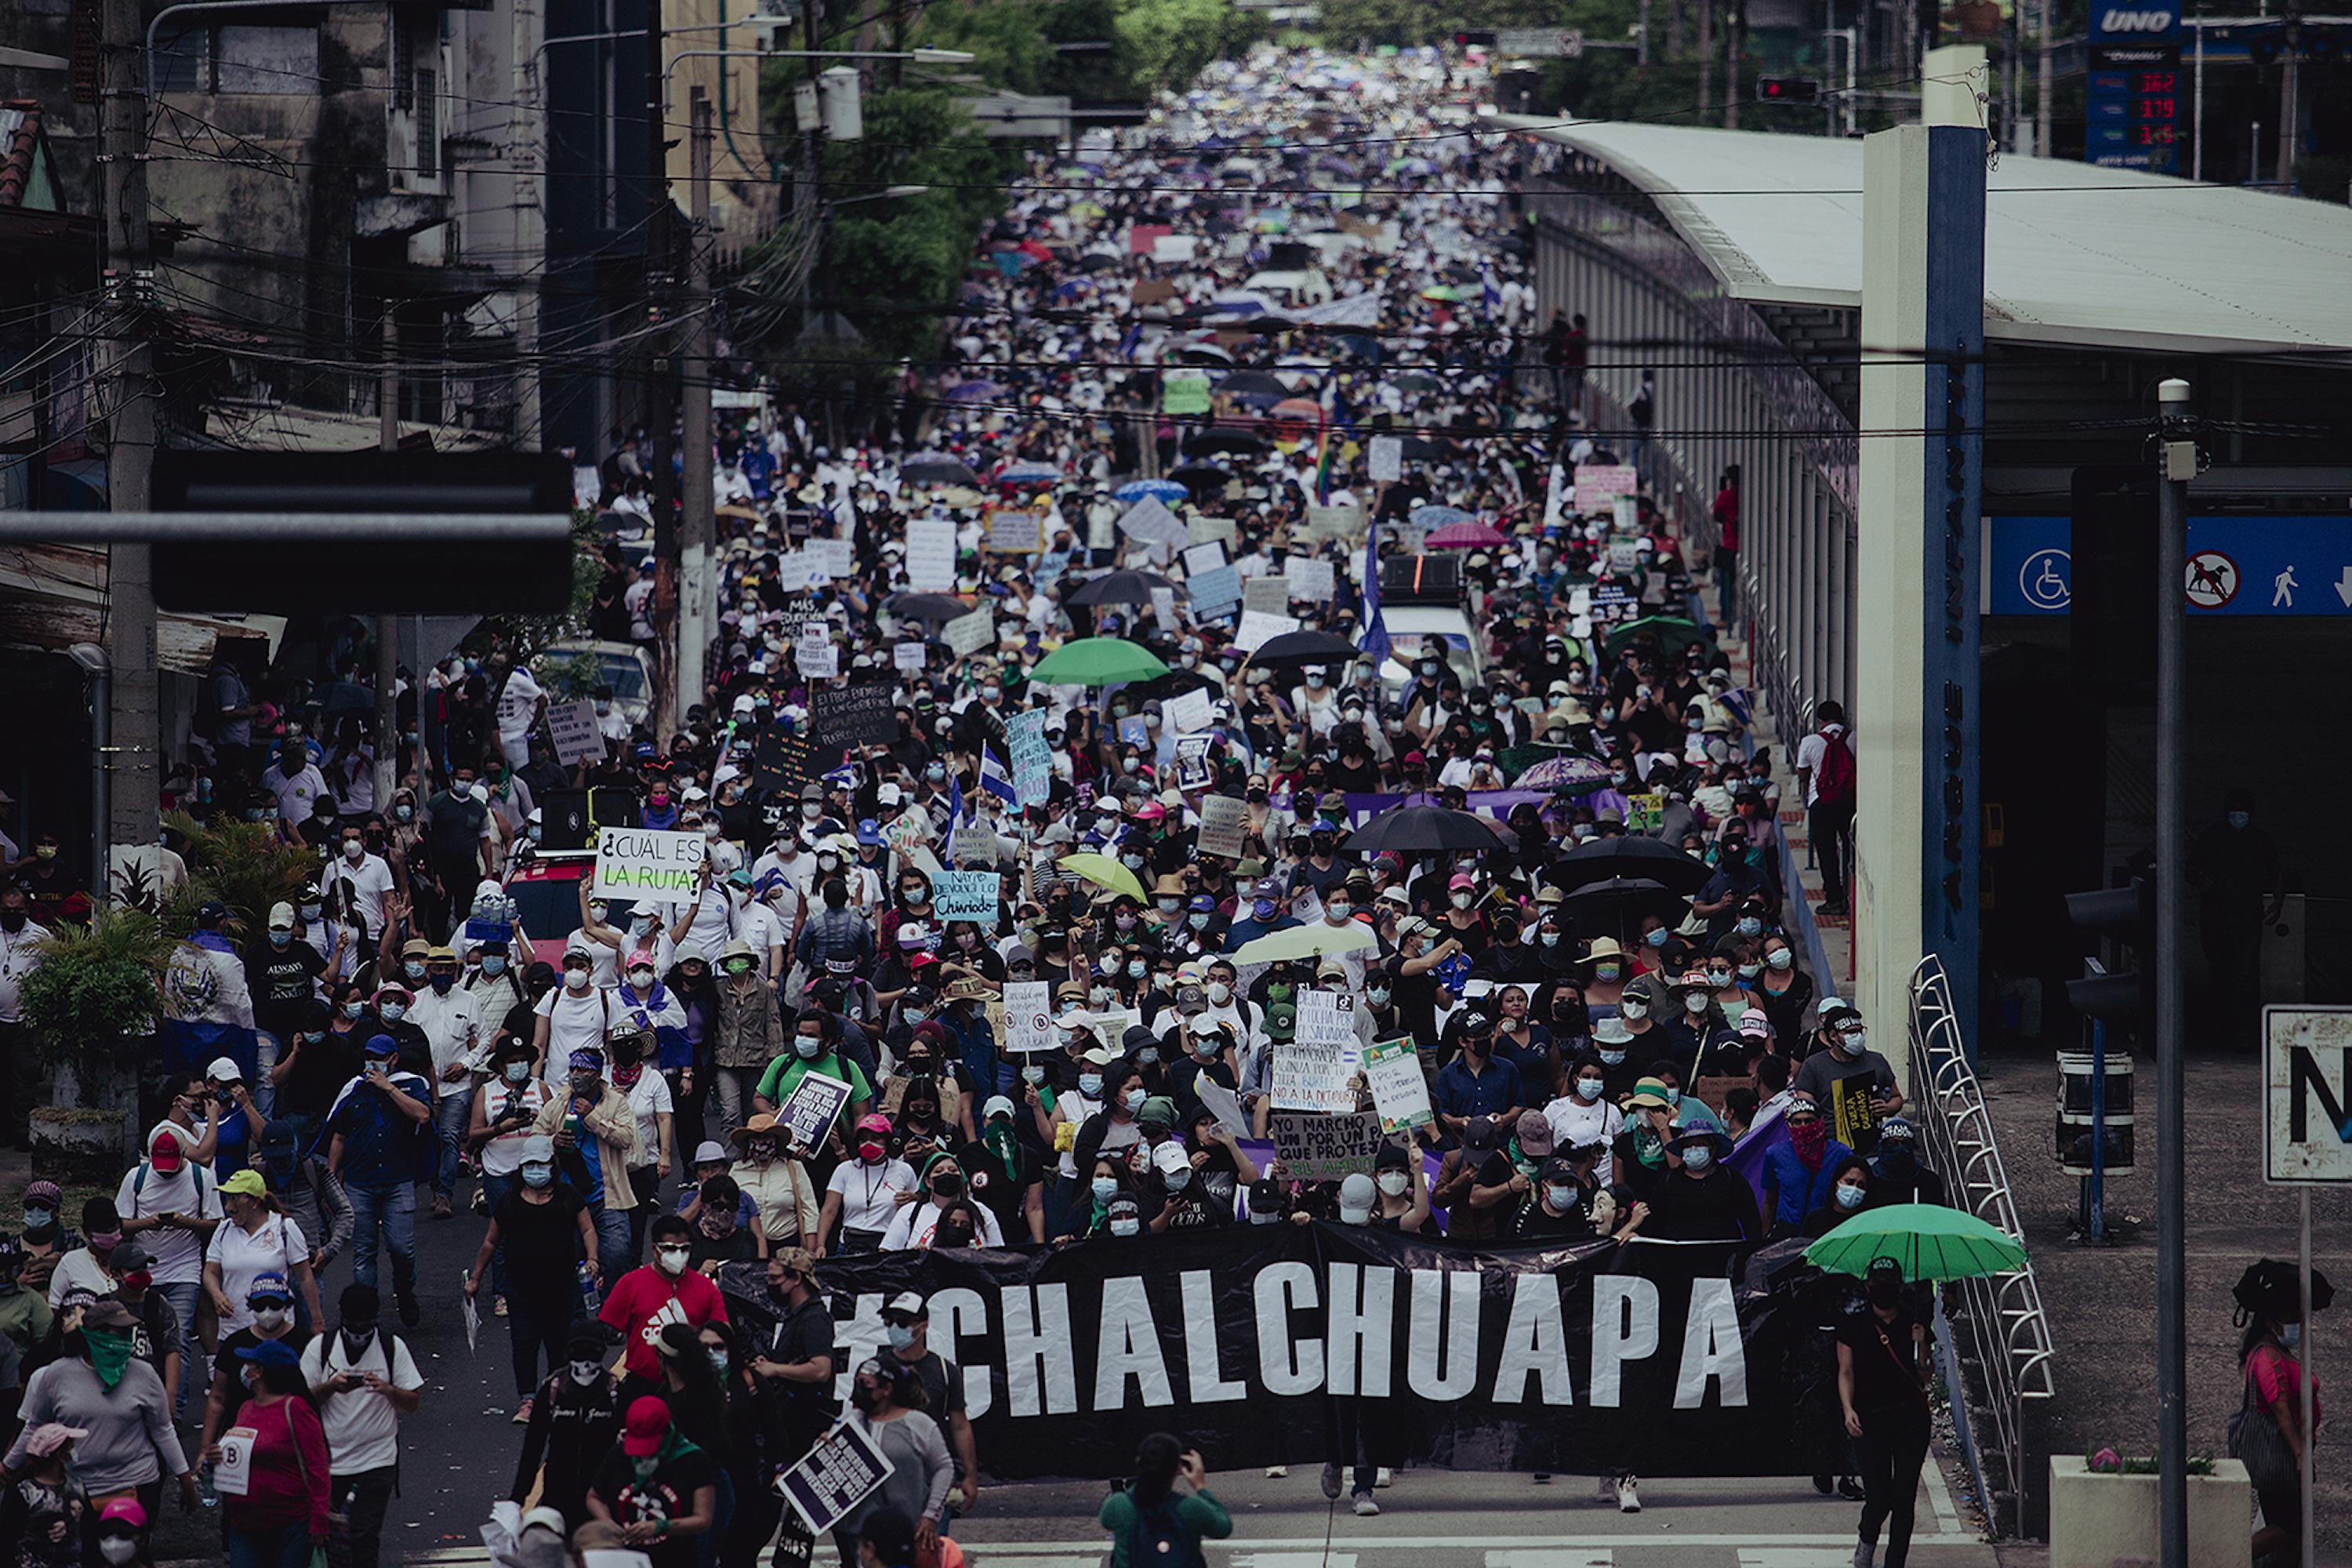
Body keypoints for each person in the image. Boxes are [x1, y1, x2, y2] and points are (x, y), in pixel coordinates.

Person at [4, 1298, 196, 1519]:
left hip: (135, 1483)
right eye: (118, 1332)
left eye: (128, 1332)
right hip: (76, 1487)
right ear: (95, 1334)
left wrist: (185, 1478)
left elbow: (162, 1429)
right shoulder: (56, 1375)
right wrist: (8, 1467)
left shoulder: (145, 1375)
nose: (125, 1339)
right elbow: (34, 1426)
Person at [465, 1134, 597, 1422]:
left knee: (558, 1341)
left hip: (562, 1286)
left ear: (552, 1165)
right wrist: (476, 1278)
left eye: (541, 1164)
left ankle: (554, 1394)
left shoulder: (567, 1198)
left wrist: (592, 1259)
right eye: (530, 1165)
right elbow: (490, 1242)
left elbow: (587, 1229)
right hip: (521, 1288)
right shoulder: (509, 1202)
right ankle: (527, 1399)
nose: (535, 1170)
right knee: (524, 1343)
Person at [299, 1284, 423, 1568]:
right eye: (352, 1326)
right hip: (329, 1462)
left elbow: (412, 1402)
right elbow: (302, 1402)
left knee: (365, 1535)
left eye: (365, 1326)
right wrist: (330, 1387)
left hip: (377, 1460)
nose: (358, 1333)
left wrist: (387, 1390)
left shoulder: (393, 1348)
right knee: (325, 1537)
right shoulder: (320, 1349)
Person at [320, 1035, 434, 1326]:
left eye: (380, 1055)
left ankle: (405, 1290)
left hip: (398, 1180)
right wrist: (331, 1181)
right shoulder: (353, 1089)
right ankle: (366, 1314)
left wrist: (388, 1087)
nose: (373, 1060)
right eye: (369, 1054)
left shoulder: (412, 1084)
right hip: (360, 1182)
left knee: (401, 1249)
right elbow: (339, 1136)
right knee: (364, 1252)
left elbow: (422, 1115)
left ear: (393, 1058)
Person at [114, 1124, 222, 1417]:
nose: (165, 1172)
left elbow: (215, 1224)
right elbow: (119, 1225)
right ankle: (136, 1407)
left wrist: (185, 1222)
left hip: (183, 1271)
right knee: (136, 1341)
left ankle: (174, 1412)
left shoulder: (201, 1178)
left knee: (179, 1339)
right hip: (141, 1271)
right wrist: (149, 1223)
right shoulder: (135, 1179)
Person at [2230, 1257, 2325, 1568]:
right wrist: (2299, 1453)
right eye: (2291, 1316)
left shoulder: (2278, 1351)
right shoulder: (2266, 1356)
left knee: (2298, 1533)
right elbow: (2280, 1409)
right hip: (2279, 1459)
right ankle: (2219, 1557)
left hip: (2289, 1457)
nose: (2298, 1321)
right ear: (2272, 1320)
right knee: (2286, 1528)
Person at [1838, 1258, 1933, 1568]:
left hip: (1910, 1418)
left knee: (1905, 1496)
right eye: (1878, 1283)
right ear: (1867, 1288)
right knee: (1878, 1495)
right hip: (1870, 1419)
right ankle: (1867, 1540)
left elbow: (1924, 1376)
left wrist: (1921, 1346)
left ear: (1901, 1286)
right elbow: (1846, 1371)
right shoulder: (1852, 1325)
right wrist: (1848, 1408)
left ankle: (1896, 1562)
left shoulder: (1913, 1323)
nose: (1883, 1289)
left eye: (1889, 1282)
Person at [216, 1339, 330, 1568]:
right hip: (244, 1522)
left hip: (289, 1524)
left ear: (260, 1372)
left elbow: (317, 1466)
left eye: (251, 1364)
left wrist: (319, 1520)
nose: (245, 1369)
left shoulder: (296, 1409)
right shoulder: (246, 1408)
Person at [533, 1048, 643, 1283]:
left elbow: (626, 1138)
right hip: (567, 1196)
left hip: (608, 1196)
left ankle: (611, 1313)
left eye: (583, 1070)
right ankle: (576, 1316)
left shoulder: (616, 1102)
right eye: (573, 1069)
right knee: (566, 1259)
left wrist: (592, 1117)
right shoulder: (560, 1102)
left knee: (616, 1256)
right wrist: (553, 1141)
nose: (575, 1075)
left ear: (596, 1074)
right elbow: (535, 1137)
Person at [831, 1358, 953, 1568]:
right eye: (857, 1383)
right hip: (860, 1533)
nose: (859, 1391)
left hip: (907, 1530)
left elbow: (944, 1468)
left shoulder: (919, 1424)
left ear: (887, 1389)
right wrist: (823, 1445)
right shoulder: (848, 1420)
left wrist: (931, 1515)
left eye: (866, 1385)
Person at [2187, 788, 2284, 1049]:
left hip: (2247, 917)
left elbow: (2276, 873)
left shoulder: (2261, 840)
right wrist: (2201, 880)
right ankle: (2219, 1031)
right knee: (2220, 973)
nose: (2238, 817)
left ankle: (2244, 1033)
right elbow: (2191, 869)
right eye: (2234, 812)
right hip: (2216, 916)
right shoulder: (2213, 837)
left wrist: (2277, 903)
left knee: (2246, 975)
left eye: (2242, 812)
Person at [197, 1272, 310, 1483]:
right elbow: (217, 1398)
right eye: (260, 1306)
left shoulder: (306, 1343)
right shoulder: (234, 1344)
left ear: (287, 1305)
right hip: (240, 1446)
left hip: (290, 1445)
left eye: (274, 1305)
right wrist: (205, 1450)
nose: (267, 1312)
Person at [877, 1292, 979, 1517]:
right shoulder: (875, 1369)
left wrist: (970, 1477)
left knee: (931, 1547)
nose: (894, 1328)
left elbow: (960, 1426)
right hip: (885, 1481)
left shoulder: (945, 1371)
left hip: (931, 1480)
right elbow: (857, 1418)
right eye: (889, 1322)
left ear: (923, 1327)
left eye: (902, 1323)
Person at [584, 1397, 718, 1568]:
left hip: (675, 1559)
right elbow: (594, 1497)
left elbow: (703, 1519)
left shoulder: (694, 1460)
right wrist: (609, 1524)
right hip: (625, 1559)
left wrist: (661, 1527)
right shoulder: (619, 1455)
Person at [510, 1327, 623, 1529]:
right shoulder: (552, 1391)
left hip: (601, 1491)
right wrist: (517, 1498)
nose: (586, 1363)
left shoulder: (614, 1391)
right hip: (558, 1489)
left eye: (592, 1352)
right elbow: (533, 1446)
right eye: (579, 1352)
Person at [597, 1214, 729, 1384]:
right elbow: (603, 1329)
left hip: (691, 1382)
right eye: (670, 1249)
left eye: (684, 1248)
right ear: (654, 1249)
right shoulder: (630, 1284)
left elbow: (724, 1333)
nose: (678, 1254)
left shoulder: (706, 1287)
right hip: (642, 1383)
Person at [202, 1170, 324, 1341]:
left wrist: (317, 1319)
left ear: (255, 1202)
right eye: (227, 1198)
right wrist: (217, 1295)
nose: (229, 1207)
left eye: (235, 1199)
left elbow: (304, 1276)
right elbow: (210, 1272)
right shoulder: (223, 1230)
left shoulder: (284, 1228)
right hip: (233, 1329)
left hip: (277, 1329)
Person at [1098, 1433, 1229, 1568]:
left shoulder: (1119, 1504)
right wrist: (1200, 1487)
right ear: (1178, 1468)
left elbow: (1106, 1521)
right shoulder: (1190, 1507)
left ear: (1139, 1462)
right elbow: (1223, 1527)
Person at [1795, 702, 1857, 919]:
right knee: (1851, 850)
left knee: (1827, 853)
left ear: (1820, 721)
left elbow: (1802, 775)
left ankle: (1834, 899)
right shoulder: (1854, 738)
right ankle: (1855, 895)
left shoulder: (1811, 741)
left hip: (1820, 802)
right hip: (1850, 803)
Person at [0, 1422, 89, 1568]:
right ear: (59, 1454)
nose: (73, 1450)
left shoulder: (77, 1487)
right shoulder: (24, 1493)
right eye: (69, 1446)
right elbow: (7, 1539)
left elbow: (88, 1532)